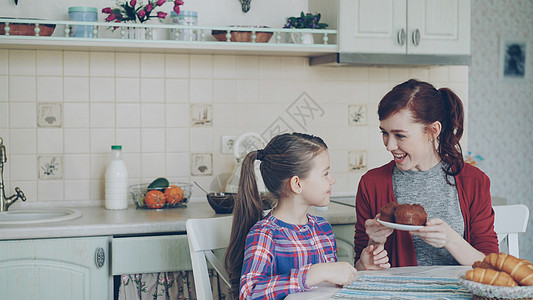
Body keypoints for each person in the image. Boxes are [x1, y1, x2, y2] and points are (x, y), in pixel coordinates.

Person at [354, 79, 499, 269]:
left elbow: (491, 266)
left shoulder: (474, 181)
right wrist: (372, 248)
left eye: (400, 135)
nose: (389, 145)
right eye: (384, 133)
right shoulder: (371, 183)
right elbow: (358, 268)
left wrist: (451, 240)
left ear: (433, 130)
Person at [225, 132, 388, 300]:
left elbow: (330, 287)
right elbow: (249, 293)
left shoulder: (322, 228)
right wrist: (313, 273)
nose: (332, 180)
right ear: (297, 184)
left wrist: (361, 267)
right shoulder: (265, 234)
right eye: (325, 173)